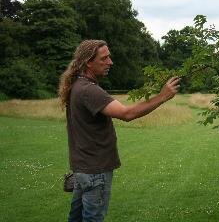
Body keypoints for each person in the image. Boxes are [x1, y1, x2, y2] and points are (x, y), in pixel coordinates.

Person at [58, 39, 180, 222]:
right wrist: (162, 96)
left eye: (109, 57)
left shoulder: (78, 85)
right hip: (95, 172)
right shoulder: (89, 91)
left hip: (83, 169)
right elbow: (127, 113)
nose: (110, 62)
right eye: (104, 58)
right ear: (88, 62)